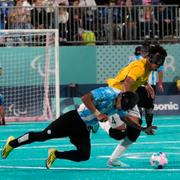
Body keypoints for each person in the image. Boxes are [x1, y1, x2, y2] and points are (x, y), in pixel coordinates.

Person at [2, 86, 152, 169]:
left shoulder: (121, 104)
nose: (120, 107)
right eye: (121, 104)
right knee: (42, 136)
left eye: (124, 107)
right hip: (73, 119)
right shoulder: (108, 93)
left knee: (84, 155)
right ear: (121, 95)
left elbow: (125, 118)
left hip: (83, 128)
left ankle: (55, 154)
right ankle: (11, 144)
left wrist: (142, 128)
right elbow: (85, 98)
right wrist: (98, 113)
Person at [128, 43, 165, 127]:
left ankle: (142, 125)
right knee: (145, 106)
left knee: (142, 105)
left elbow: (160, 70)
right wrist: (160, 83)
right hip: (141, 85)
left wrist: (159, 83)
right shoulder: (136, 59)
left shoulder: (153, 58)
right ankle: (145, 125)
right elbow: (160, 70)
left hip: (146, 85)